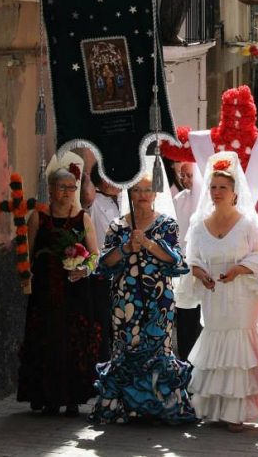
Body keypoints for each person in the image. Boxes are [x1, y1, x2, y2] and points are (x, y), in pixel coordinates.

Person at [89, 172, 196, 425]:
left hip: (159, 299)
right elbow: (104, 263)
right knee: (127, 347)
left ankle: (159, 407)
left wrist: (147, 244)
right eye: (136, 190)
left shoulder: (167, 224)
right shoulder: (118, 226)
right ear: (130, 194)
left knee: (159, 348)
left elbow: (176, 260)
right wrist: (126, 248)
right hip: (126, 299)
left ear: (155, 194)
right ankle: (127, 406)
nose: (142, 196)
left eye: (147, 190)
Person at [185, 152, 258, 432]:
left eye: (223, 187)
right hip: (214, 296)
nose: (217, 192)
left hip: (242, 296)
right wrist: (200, 273)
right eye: (213, 187)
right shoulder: (198, 225)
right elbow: (192, 259)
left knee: (238, 349)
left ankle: (236, 412)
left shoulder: (248, 223)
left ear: (235, 192)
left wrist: (239, 269)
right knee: (215, 345)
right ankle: (213, 408)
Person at [17, 154, 101, 416]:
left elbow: (95, 255)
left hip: (74, 289)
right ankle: (48, 396)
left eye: (71, 188)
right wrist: (25, 273)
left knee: (73, 340)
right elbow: (27, 253)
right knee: (47, 340)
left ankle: (74, 397)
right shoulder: (38, 218)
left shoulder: (82, 219)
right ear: (51, 190)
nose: (67, 193)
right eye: (61, 187)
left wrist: (83, 268)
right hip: (45, 289)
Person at [164, 158, 204, 362]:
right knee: (184, 314)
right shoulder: (178, 199)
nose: (186, 180)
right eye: (183, 175)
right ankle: (184, 359)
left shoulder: (206, 201)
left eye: (190, 175)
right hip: (182, 264)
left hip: (201, 264)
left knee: (200, 317)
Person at [87, 164, 122, 362]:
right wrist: (87, 178)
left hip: (121, 272)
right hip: (101, 271)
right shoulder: (94, 202)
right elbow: (87, 195)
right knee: (103, 320)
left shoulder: (122, 201)